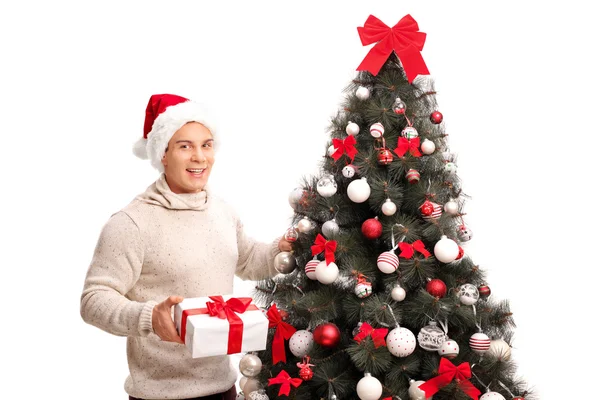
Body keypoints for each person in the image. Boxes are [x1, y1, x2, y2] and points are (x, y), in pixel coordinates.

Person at [80, 93, 293, 400]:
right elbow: (93, 300)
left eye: (206, 145)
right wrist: (149, 317)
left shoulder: (222, 211)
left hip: (223, 388)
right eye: (185, 146)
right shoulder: (132, 223)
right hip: (158, 395)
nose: (200, 157)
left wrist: (280, 249)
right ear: (163, 154)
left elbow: (247, 260)